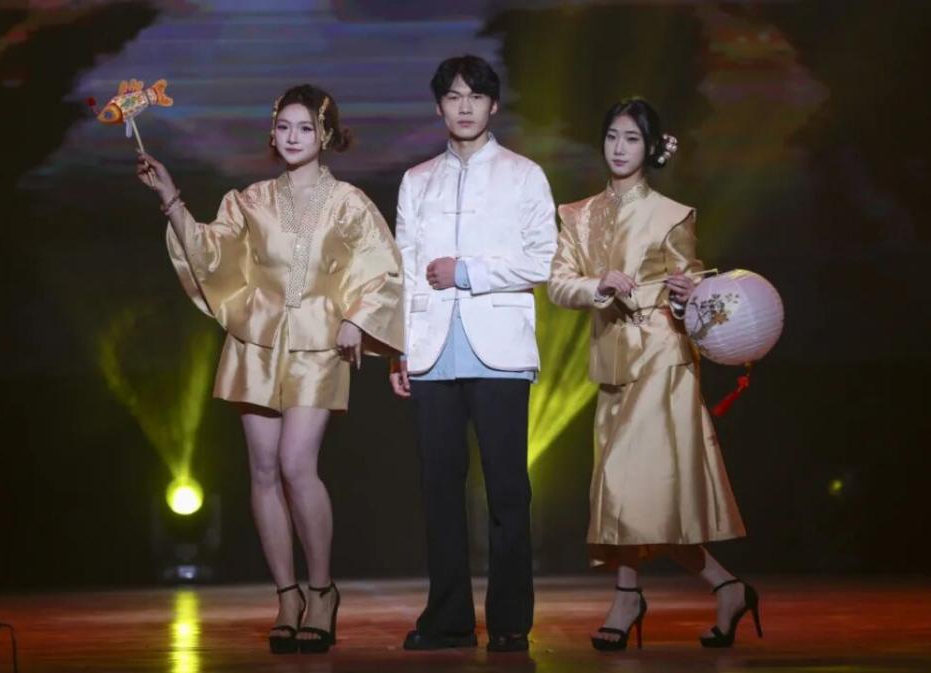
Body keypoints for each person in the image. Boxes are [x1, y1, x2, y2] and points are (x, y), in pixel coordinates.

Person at [136, 84, 404, 654]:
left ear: (325, 135)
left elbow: (382, 269)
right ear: (272, 132)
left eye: (305, 128)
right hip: (255, 340)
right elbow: (210, 253)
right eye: (284, 127)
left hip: (318, 343)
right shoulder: (249, 200)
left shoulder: (349, 203)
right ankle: (287, 596)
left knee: (295, 464)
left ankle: (322, 590)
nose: (292, 137)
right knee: (262, 470)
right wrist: (171, 197)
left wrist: (357, 319)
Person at [547, 97, 761, 651]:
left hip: (663, 359)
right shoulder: (576, 214)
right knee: (644, 499)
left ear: (650, 148)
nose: (619, 148)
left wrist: (689, 293)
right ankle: (727, 588)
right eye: (612, 136)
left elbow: (697, 295)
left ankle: (626, 597)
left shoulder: (673, 214)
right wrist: (598, 284)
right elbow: (558, 284)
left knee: (626, 486)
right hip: (611, 362)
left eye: (632, 139)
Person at [388, 55, 557, 653]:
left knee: (507, 489)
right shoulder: (417, 180)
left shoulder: (523, 175)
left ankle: (509, 620)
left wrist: (466, 272)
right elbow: (404, 268)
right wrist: (399, 347)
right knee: (439, 489)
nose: (465, 107)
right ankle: (449, 619)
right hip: (431, 350)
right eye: (454, 97)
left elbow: (542, 260)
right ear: (439, 107)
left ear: (493, 105)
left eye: (476, 96)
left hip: (500, 349)